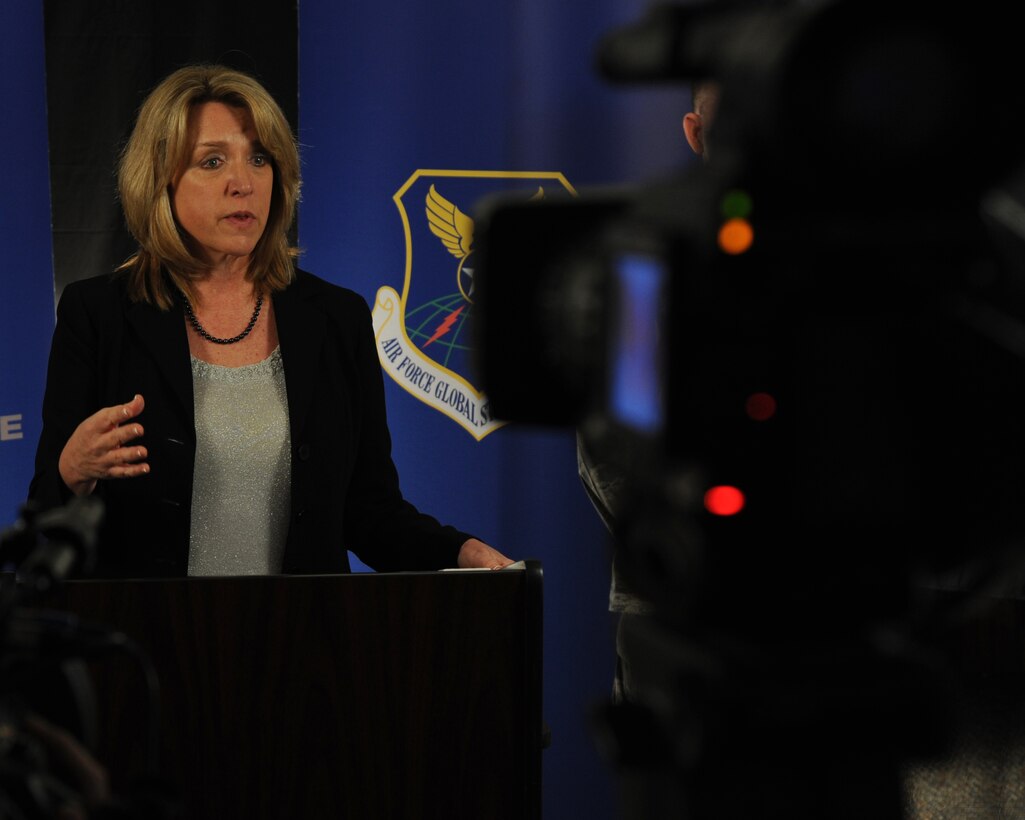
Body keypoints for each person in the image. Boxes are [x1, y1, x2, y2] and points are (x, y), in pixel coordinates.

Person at [28, 64, 513, 578]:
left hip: (302, 645)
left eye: (259, 158)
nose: (243, 183)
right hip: (151, 645)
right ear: (160, 181)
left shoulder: (335, 318)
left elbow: (370, 513)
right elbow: (45, 517)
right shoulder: (98, 315)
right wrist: (71, 472)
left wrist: (457, 552)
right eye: (212, 161)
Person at [578, 80, 718, 704]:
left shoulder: (879, 255)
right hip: (678, 612)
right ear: (695, 132)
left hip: (849, 620)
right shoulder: (647, 252)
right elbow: (608, 447)